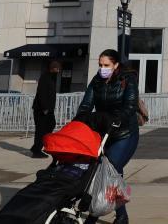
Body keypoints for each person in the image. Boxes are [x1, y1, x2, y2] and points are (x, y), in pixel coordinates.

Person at [76, 49, 138, 224]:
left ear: (116, 65)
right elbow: (86, 105)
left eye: (106, 65)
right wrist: (79, 121)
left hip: (125, 133)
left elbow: (130, 105)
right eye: (100, 65)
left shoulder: (127, 79)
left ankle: (93, 215)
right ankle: (122, 216)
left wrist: (118, 119)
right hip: (104, 133)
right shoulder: (97, 81)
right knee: (114, 174)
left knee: (106, 171)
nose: (102, 68)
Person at [31, 60, 62, 158]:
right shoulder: (45, 77)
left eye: (58, 69)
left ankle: (38, 146)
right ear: (52, 68)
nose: (58, 71)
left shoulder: (52, 78)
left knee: (51, 124)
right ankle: (36, 150)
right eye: (56, 69)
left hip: (48, 109)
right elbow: (42, 93)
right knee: (41, 130)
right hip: (42, 109)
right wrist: (44, 108)